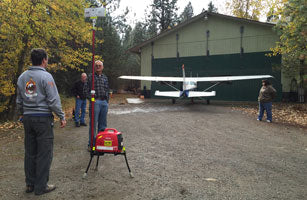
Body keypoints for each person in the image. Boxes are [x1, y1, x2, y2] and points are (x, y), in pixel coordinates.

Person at [16, 48, 66, 195]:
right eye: (47, 59)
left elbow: (19, 100)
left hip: (28, 118)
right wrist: (61, 116)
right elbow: (53, 101)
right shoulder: (46, 77)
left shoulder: (22, 77)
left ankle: (30, 184)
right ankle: (41, 186)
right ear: (44, 60)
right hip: (43, 119)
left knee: (30, 152)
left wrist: (22, 114)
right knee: (44, 153)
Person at [84, 60, 109, 151]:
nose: (98, 67)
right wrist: (91, 99)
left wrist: (107, 101)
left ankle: (100, 143)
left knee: (103, 124)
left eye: (100, 65)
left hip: (104, 102)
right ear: (94, 67)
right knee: (93, 124)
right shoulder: (90, 77)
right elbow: (85, 89)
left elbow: (107, 89)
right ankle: (91, 144)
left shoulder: (105, 77)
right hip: (95, 102)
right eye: (96, 65)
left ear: (102, 67)